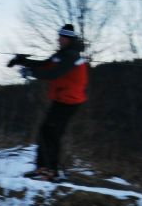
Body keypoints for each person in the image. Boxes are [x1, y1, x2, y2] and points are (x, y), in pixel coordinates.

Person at [8, 23, 88, 181]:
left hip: (70, 101)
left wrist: (30, 72)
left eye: (61, 37)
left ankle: (50, 171)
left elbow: (53, 74)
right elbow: (45, 64)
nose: (58, 39)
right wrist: (22, 61)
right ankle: (43, 169)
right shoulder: (62, 54)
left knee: (51, 133)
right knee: (46, 132)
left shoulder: (72, 55)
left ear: (68, 39)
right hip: (62, 99)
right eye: (59, 36)